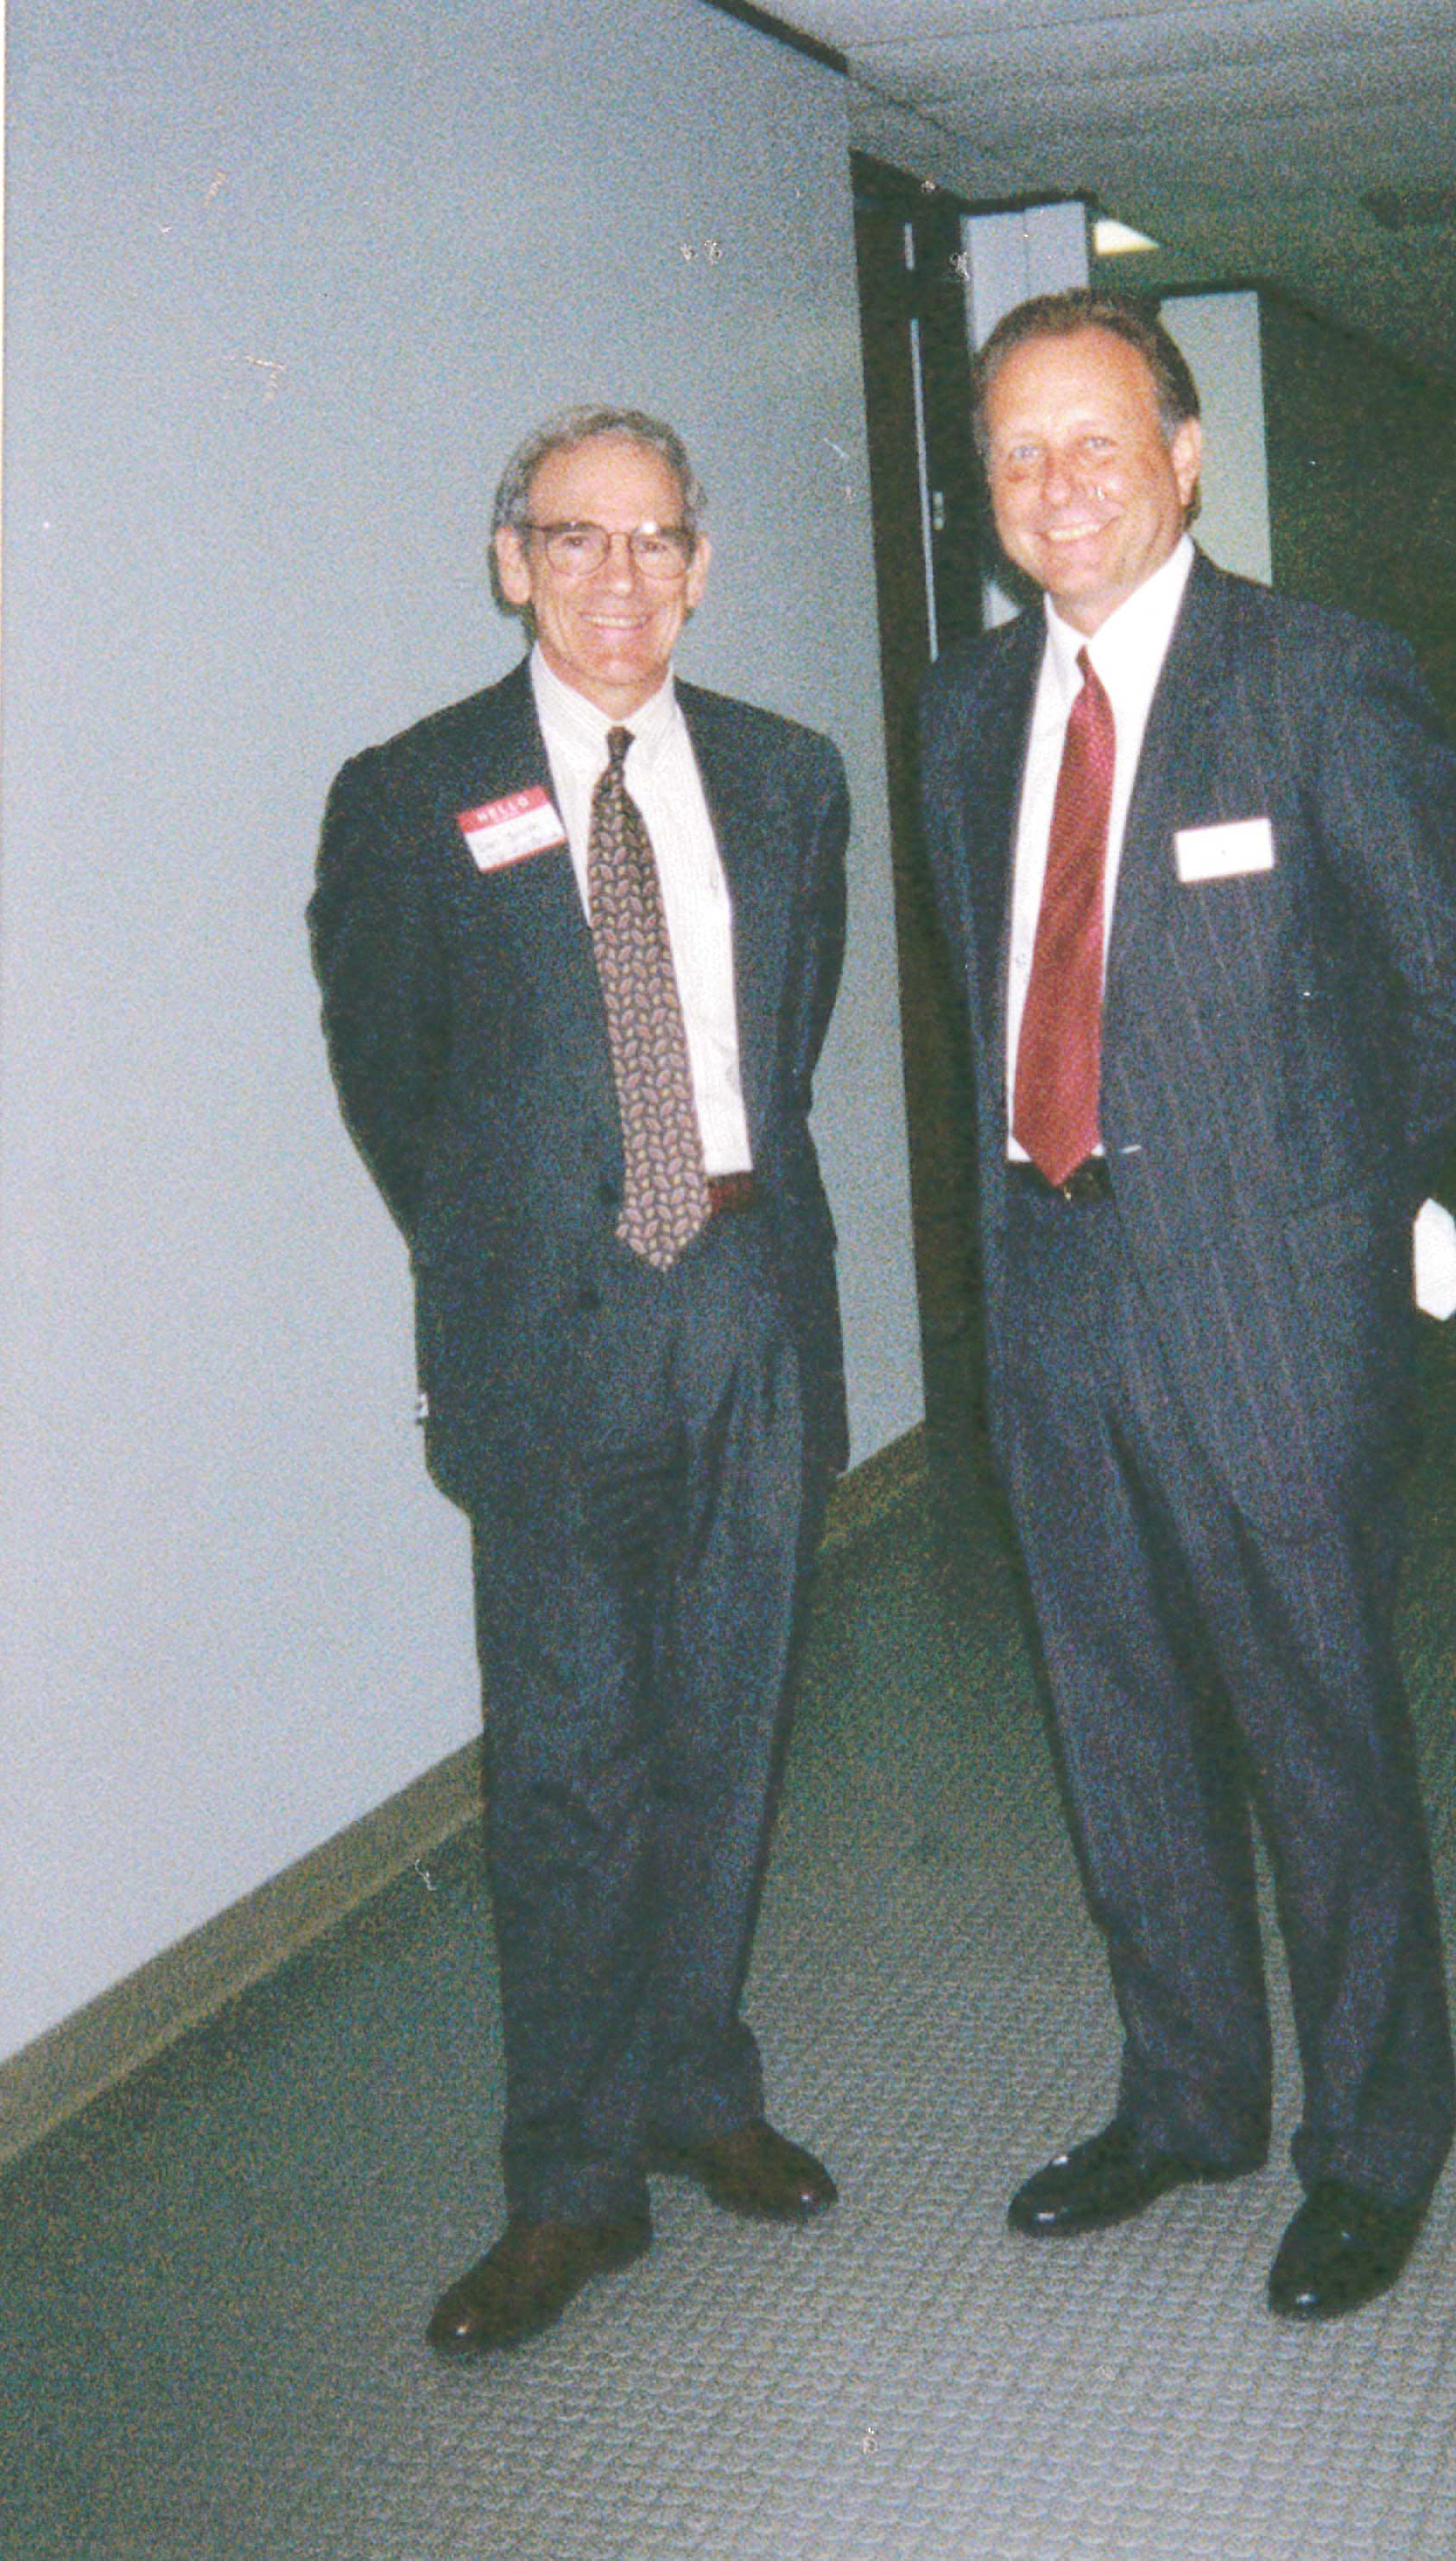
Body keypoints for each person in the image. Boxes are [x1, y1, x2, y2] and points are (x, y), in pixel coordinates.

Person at [918, 292, 1456, 2320]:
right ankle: (1186, 2100)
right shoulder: (969, 710)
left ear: (1186, 454)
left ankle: (1372, 2145)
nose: (1054, 483)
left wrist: (1328, 1215)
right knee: (1119, 1729)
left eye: (1096, 440)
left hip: (1271, 1314)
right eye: (1015, 452)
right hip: (1053, 1293)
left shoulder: (1321, 677)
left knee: (1316, 1734)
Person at [311, 405, 848, 2353]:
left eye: (657, 541)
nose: (620, 579)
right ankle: (569, 2184)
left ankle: (700, 2091)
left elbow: (770, 1064)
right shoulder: (411, 792)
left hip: (749, 1315)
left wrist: (711, 1226)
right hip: (546, 1339)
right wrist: (534, 1241)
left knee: (731, 1729)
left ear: (701, 563)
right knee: (564, 1773)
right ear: (510, 558)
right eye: (577, 539)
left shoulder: (792, 780)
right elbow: (399, 1092)